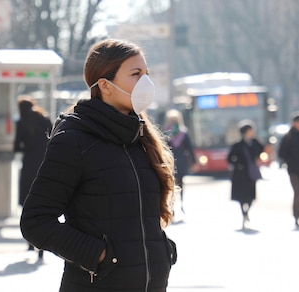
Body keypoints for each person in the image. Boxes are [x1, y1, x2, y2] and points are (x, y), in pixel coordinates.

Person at [20, 39, 177, 291]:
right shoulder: (74, 139)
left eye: (146, 74)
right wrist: (100, 256)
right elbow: (35, 222)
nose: (145, 82)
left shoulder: (141, 138)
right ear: (105, 85)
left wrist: (162, 249)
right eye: (135, 74)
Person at [13, 96, 52, 259]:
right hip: (45, 166)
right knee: (44, 203)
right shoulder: (45, 119)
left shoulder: (22, 122)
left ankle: (30, 241)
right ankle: (42, 246)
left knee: (28, 203)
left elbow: (17, 146)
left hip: (28, 166)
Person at [227, 123, 264, 230]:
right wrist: (238, 165)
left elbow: (262, 150)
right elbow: (230, 158)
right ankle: (243, 212)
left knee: (251, 195)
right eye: (250, 131)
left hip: (251, 173)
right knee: (241, 196)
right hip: (240, 174)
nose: (253, 132)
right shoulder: (237, 145)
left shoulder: (255, 142)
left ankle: (246, 212)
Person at [164, 109, 196, 214]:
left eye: (175, 119)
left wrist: (194, 162)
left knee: (181, 183)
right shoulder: (165, 132)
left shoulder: (183, 132)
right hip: (170, 161)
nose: (173, 121)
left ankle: (181, 203)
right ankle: (172, 205)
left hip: (181, 161)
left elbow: (189, 148)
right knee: (171, 185)